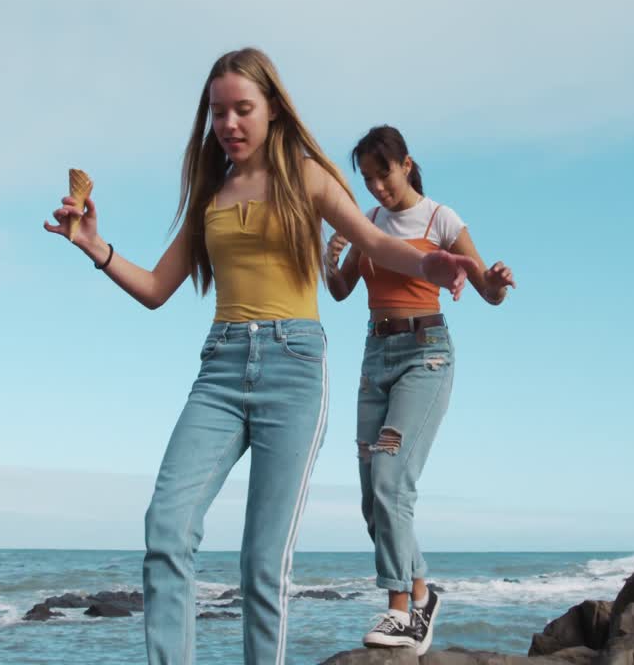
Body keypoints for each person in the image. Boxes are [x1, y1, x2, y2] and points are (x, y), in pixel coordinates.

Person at [43, 50, 479, 665]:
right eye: (218, 112)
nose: (229, 123)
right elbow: (155, 290)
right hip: (219, 369)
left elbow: (376, 239)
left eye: (243, 109)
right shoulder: (209, 194)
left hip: (293, 367)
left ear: (272, 109)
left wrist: (432, 261)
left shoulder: (308, 177)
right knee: (166, 526)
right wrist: (93, 245)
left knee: (262, 560)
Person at [323, 125, 514, 655]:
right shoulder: (369, 224)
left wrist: (495, 278)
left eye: (382, 174)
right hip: (373, 358)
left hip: (425, 354)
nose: (376, 188)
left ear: (406, 164)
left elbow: (486, 292)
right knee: (372, 498)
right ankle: (424, 593)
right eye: (366, 179)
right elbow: (340, 292)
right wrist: (329, 253)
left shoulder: (441, 219)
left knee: (390, 476)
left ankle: (400, 610)